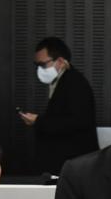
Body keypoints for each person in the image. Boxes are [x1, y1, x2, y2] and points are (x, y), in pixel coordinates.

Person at [19, 37, 97, 175]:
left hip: (73, 162)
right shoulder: (63, 81)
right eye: (37, 65)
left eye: (43, 64)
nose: (40, 69)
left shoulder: (75, 83)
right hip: (67, 162)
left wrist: (38, 121)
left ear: (60, 61)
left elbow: (76, 122)